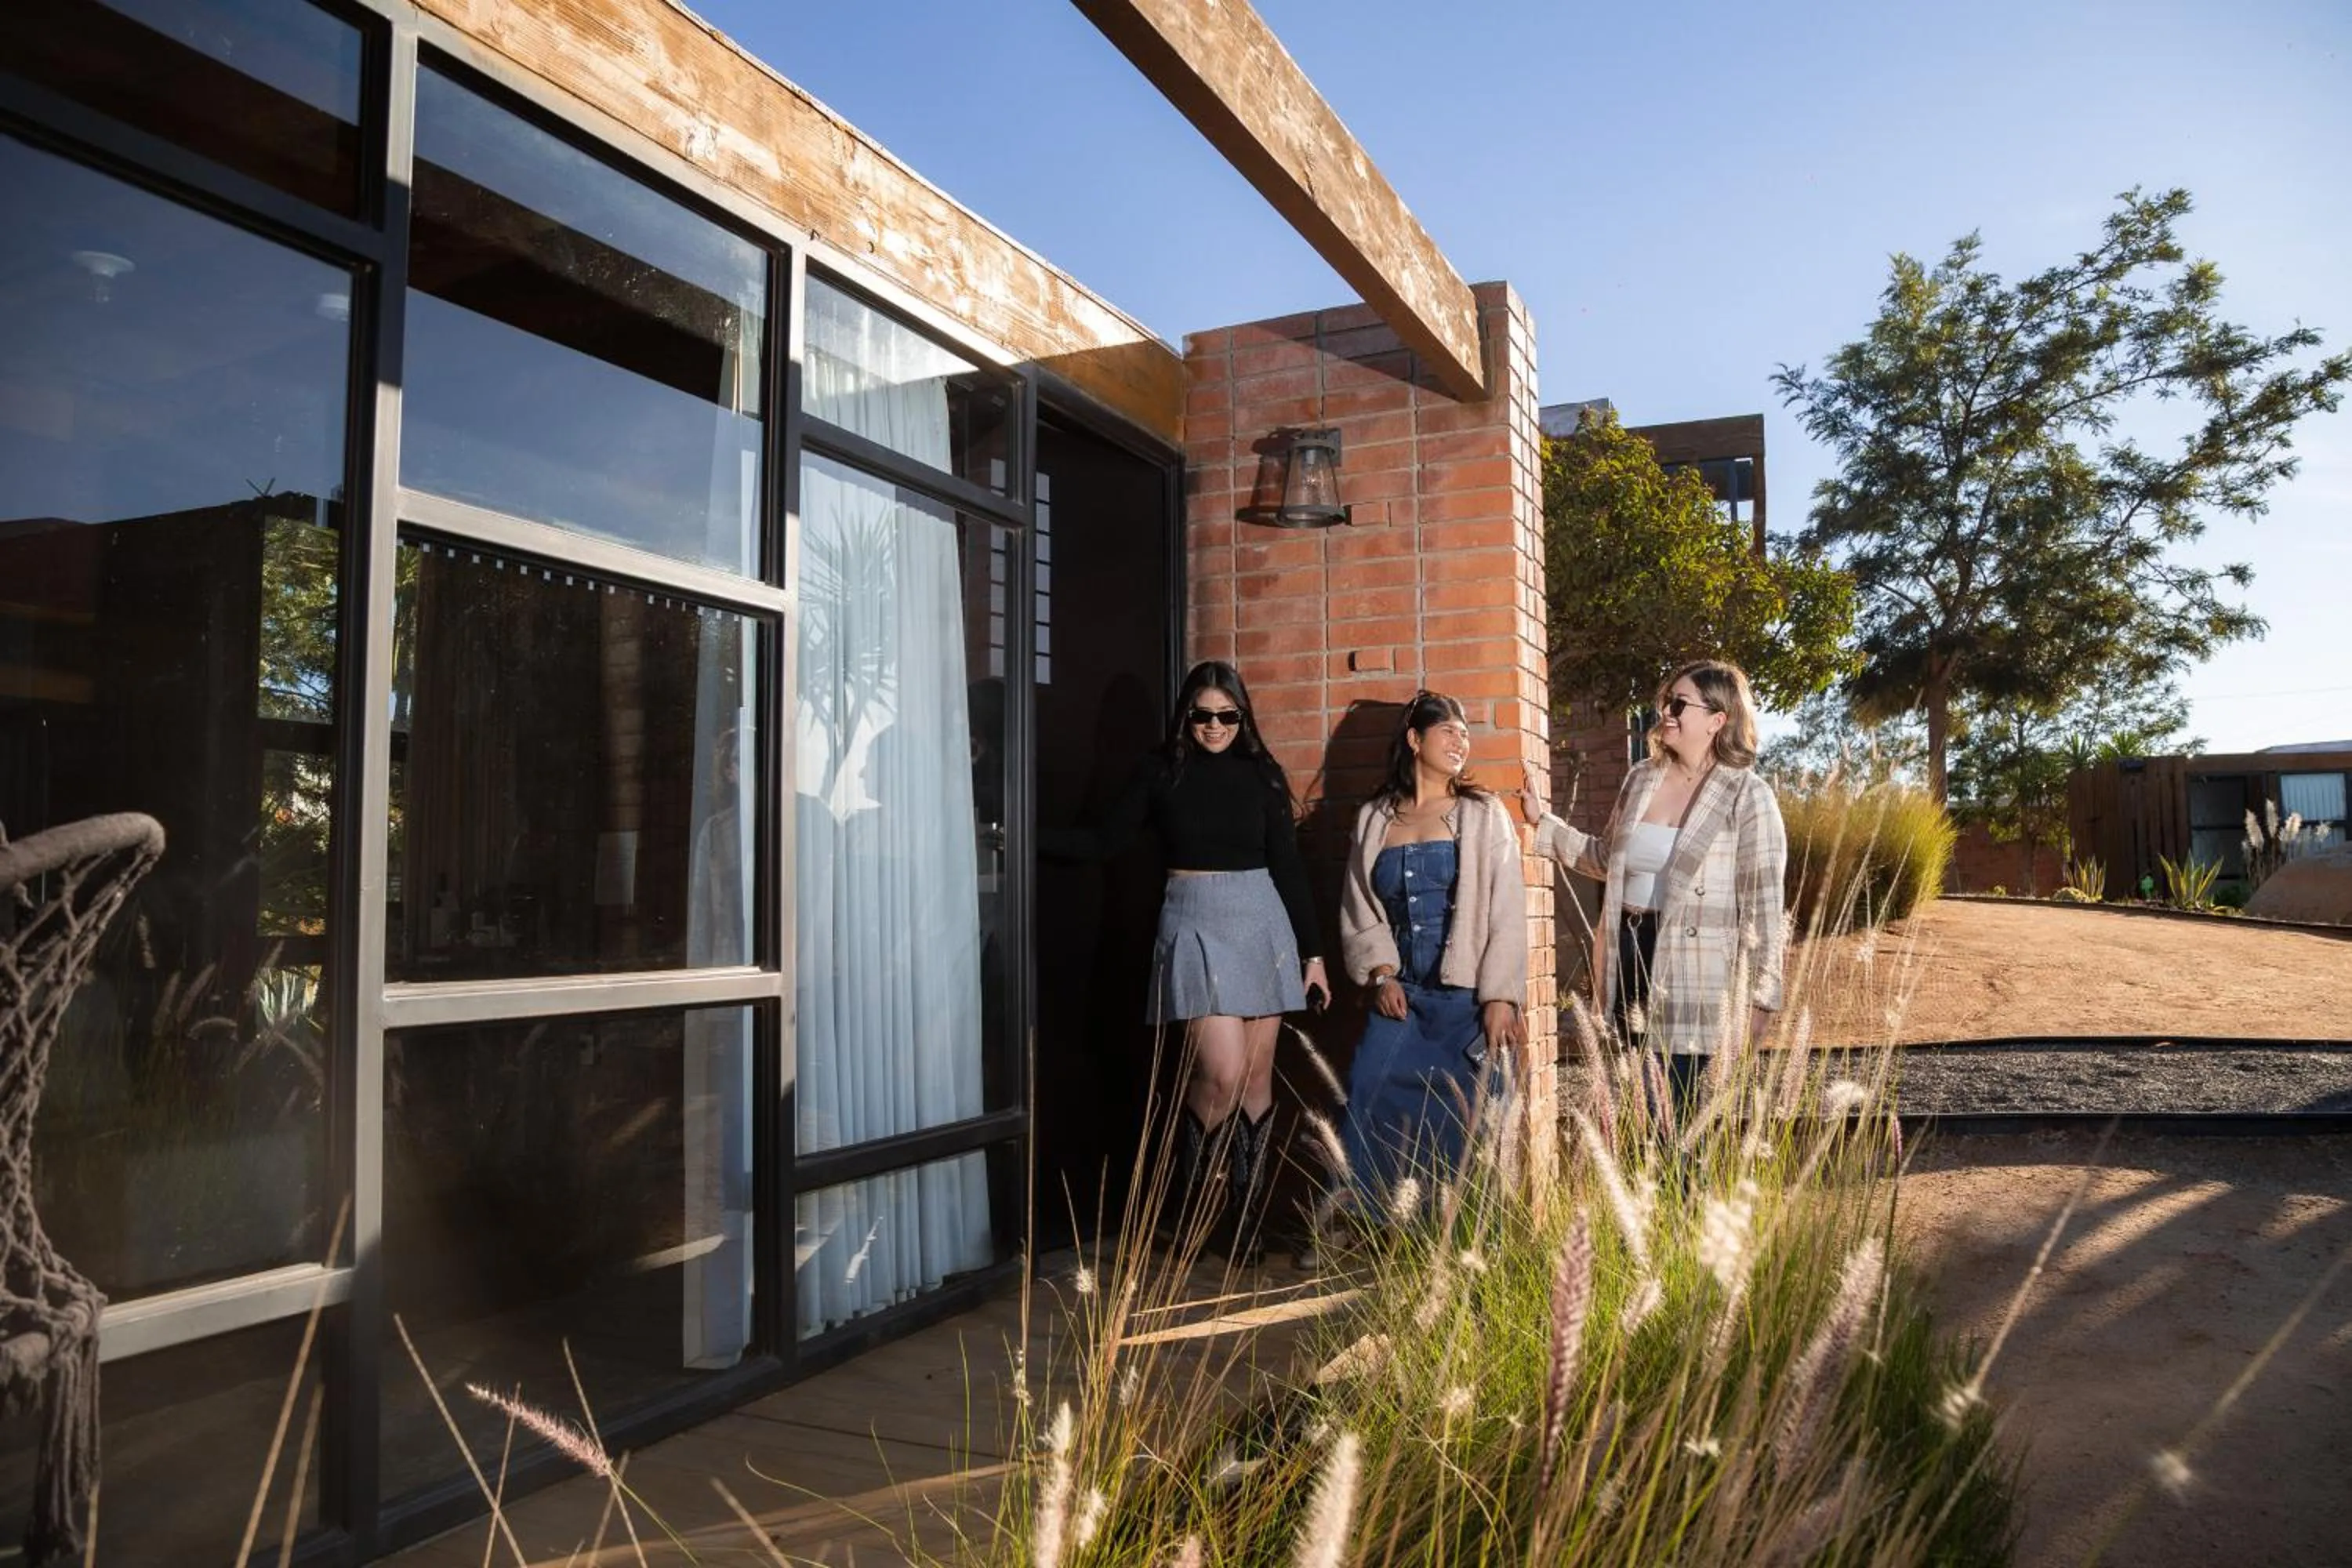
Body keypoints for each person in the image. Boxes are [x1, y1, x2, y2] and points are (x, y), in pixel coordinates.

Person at [1047, 661, 1328, 1245]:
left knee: (1255, 1080)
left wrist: (1314, 955)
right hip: (1194, 922)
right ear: (1186, 716)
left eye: (1228, 715)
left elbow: (1289, 868)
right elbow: (1105, 841)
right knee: (1220, 1073)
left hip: (1263, 923)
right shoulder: (1160, 771)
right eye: (1203, 715)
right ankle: (1193, 1215)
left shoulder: (1263, 774)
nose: (1215, 726)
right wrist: (1023, 836)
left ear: (1243, 717)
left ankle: (1244, 1226)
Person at [1520, 659, 1788, 1121]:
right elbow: (1608, 859)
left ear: (1717, 719)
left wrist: (1762, 1000)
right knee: (1641, 1111)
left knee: (1679, 1117)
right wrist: (1543, 823)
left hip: (1699, 973)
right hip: (1629, 956)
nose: (1666, 711)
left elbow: (1763, 905)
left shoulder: (1748, 795)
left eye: (1679, 704)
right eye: (1666, 701)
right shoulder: (1642, 778)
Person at [1337, 691, 1527, 1200]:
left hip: (1467, 999)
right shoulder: (1374, 818)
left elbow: (1508, 908)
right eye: (1448, 731)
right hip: (1402, 998)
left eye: (1465, 733)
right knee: (1367, 1089)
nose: (1460, 741)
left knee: (1468, 1121)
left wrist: (1501, 997)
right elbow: (1358, 906)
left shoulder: (1483, 813)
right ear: (1415, 740)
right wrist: (1381, 974)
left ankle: (1457, 1232)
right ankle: (1371, 1224)